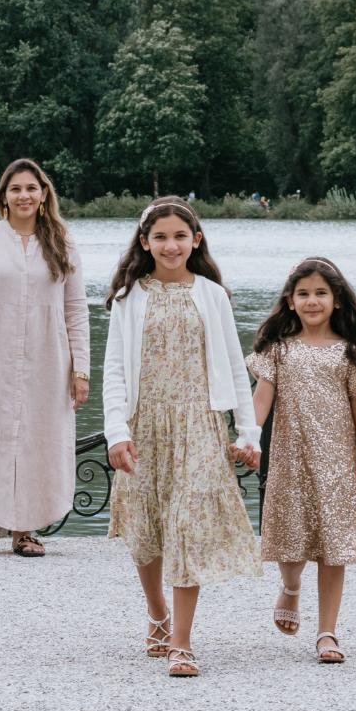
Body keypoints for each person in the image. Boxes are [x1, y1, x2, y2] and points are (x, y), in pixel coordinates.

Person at [101, 197, 260, 677]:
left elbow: (235, 368)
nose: (171, 245)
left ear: (196, 240)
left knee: (188, 527)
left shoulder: (213, 295)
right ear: (145, 243)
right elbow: (114, 370)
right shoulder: (129, 299)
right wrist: (116, 432)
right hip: (145, 424)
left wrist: (247, 431)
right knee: (147, 531)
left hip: (199, 425)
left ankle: (182, 643)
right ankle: (157, 615)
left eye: (179, 236)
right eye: (160, 237)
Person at [0, 159, 89, 558]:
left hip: (48, 357)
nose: (24, 195)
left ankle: (23, 532)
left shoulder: (62, 244)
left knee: (37, 439)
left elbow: (76, 310)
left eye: (31, 188)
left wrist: (81, 371)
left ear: (43, 195)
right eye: (15, 189)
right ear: (3, 197)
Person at [247, 257, 356, 664]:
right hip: (290, 460)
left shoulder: (351, 354)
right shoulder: (277, 351)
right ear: (290, 302)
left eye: (321, 293)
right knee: (290, 542)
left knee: (332, 548)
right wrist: (247, 440)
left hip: (337, 465)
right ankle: (290, 586)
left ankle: (327, 632)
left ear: (337, 300)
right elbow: (260, 402)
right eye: (303, 294)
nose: (312, 301)